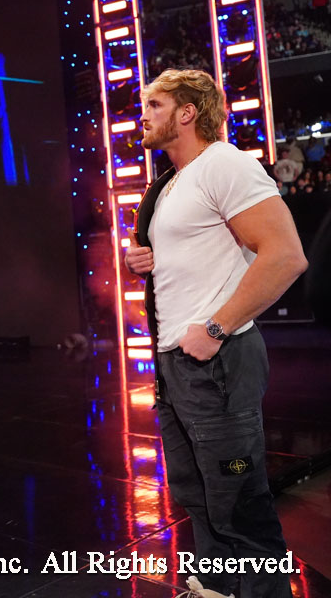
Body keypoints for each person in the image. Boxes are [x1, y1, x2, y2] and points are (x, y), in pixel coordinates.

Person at [125, 70, 307, 598]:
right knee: (199, 494)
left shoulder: (224, 163)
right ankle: (219, 589)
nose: (144, 115)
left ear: (187, 112)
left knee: (238, 501)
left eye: (155, 105)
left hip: (216, 360)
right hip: (177, 366)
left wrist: (214, 328)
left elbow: (286, 256)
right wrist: (146, 261)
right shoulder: (170, 183)